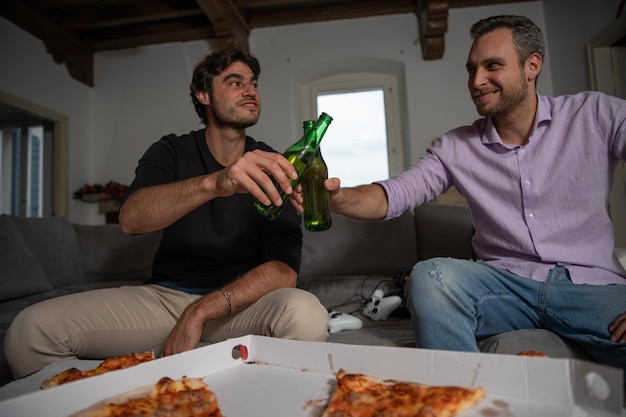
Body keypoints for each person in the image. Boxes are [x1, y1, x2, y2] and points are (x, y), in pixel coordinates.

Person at [293, 15, 626, 371]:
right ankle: (461, 396)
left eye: (492, 66)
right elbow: (396, 194)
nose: (477, 81)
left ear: (532, 66)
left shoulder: (595, 114)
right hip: (503, 290)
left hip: (592, 289)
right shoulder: (456, 146)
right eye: (471, 69)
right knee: (429, 277)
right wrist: (338, 199)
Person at [5, 48, 329, 379]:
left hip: (240, 305)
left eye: (254, 83)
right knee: (28, 334)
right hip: (165, 300)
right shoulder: (171, 151)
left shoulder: (275, 164)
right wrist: (217, 182)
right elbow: (131, 219)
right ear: (203, 95)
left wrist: (201, 311)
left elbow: (284, 271)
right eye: (235, 82)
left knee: (307, 315)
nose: (251, 91)